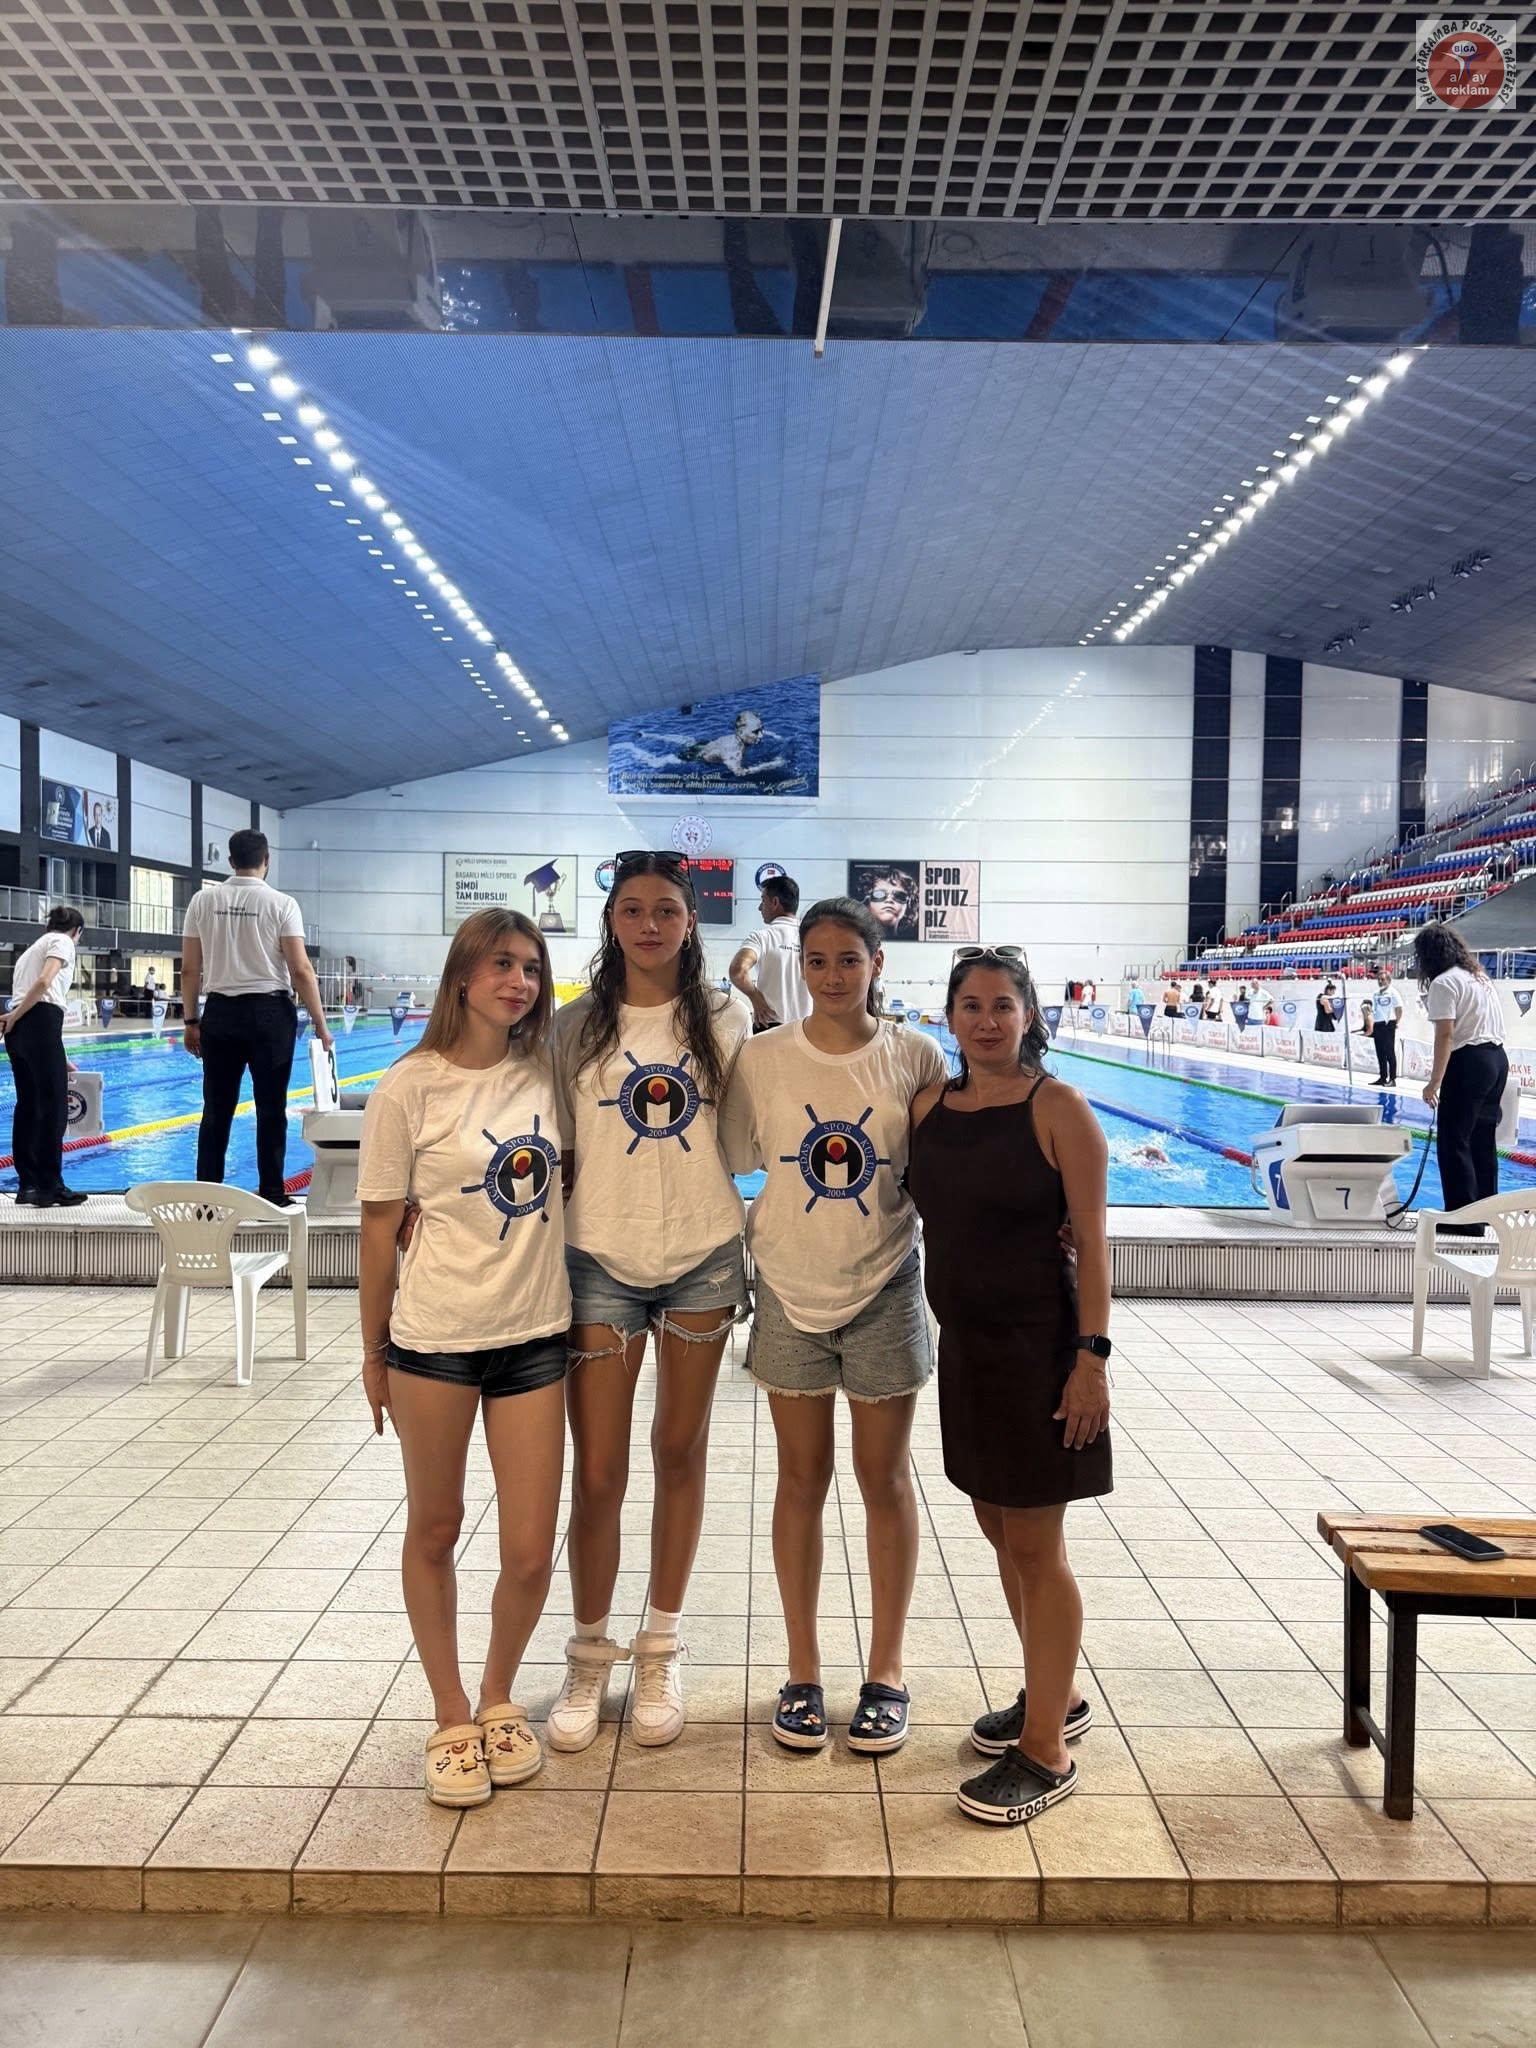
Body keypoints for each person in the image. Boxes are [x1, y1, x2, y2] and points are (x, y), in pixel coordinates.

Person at [721, 897, 947, 1757]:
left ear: (876, 964)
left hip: (885, 1283)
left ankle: (887, 1671)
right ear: (800, 966)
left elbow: (948, 1174)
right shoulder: (762, 1057)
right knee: (800, 1480)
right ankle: (803, 1670)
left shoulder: (915, 1055)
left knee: (884, 1479)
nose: (831, 975)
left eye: (848, 959)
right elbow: (732, 1157)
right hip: (788, 1283)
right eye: (816, 961)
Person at [357, 908, 568, 1808]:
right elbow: (378, 1230)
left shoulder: (547, 1074)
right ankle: (449, 1713)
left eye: (531, 968)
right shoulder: (409, 1087)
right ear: (461, 976)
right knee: (435, 1528)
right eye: (502, 964)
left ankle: (497, 1696)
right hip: (434, 1341)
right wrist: (373, 1351)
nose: (519, 982)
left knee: (529, 1550)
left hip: (535, 1336)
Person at [547, 850, 749, 1752]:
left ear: (690, 920)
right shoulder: (574, 1026)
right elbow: (542, 1141)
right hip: (598, 1255)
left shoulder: (726, 1016)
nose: (650, 925)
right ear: (612, 921)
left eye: (666, 909)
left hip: (703, 1252)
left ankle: (659, 1645)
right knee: (598, 1470)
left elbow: (766, 1126)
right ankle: (589, 1652)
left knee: (678, 1450)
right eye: (632, 909)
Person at [907, 944, 1111, 1824]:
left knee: (1035, 1544)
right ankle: (1056, 1695)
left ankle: (1046, 1750)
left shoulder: (1058, 1108)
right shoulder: (929, 1106)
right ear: (949, 1016)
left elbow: (1094, 1245)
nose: (987, 1020)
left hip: (1039, 1350)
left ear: (1030, 1015)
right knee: (997, 1525)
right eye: (972, 1005)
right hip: (967, 1351)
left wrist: (1092, 1360)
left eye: (1003, 1005)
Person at [180, 830, 333, 1205]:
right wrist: (320, 1022)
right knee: (271, 1108)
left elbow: (189, 969)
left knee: (216, 1109)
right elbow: (300, 970)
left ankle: (208, 1197)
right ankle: (273, 1193)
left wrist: (191, 1021)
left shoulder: (202, 901)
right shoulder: (282, 903)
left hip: (220, 1013)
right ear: (267, 861)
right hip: (269, 1014)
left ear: (231, 861)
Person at [1416, 924, 1509, 1232]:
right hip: (1497, 1060)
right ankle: (1488, 1214)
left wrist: (1434, 1083)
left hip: (1470, 1062)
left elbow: (1445, 1035)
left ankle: (1463, 1221)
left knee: (1454, 1141)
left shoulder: (1443, 983)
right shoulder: (1478, 977)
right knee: (1483, 1141)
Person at [0, 906, 88, 1208]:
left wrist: (16, 1019)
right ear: (76, 931)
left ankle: (27, 1186)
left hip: (21, 1032)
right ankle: (51, 1187)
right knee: (53, 1108)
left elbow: (32, 1000)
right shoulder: (63, 941)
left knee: (28, 1106)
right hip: (35, 1021)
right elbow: (43, 985)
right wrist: (16, 1017)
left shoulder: (29, 951)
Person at [729, 872, 809, 1032]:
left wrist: (756, 998)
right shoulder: (812, 938)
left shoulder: (762, 938)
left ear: (775, 902)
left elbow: (737, 972)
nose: (760, 907)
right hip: (807, 1029)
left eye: (762, 900)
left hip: (770, 1028)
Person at [1371, 963, 1403, 1086]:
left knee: (1389, 1051)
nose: (1380, 981)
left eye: (1383, 979)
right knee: (1380, 1052)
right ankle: (1382, 1077)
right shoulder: (1376, 993)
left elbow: (1399, 1008)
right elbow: (1374, 1009)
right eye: (1379, 979)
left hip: (1389, 1023)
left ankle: (1393, 1078)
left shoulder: (1393, 993)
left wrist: (1396, 1022)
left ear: (1388, 980)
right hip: (1378, 1024)